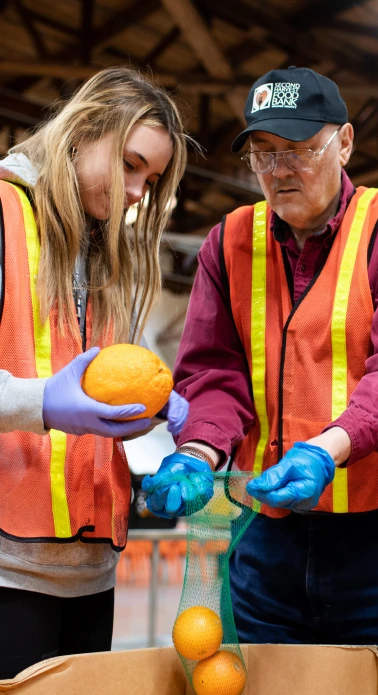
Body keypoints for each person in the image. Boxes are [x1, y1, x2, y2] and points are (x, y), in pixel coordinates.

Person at [143, 66, 378, 652]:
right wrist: (195, 451)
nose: (279, 171)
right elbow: (214, 371)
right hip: (267, 536)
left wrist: (324, 450)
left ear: (344, 142)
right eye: (262, 154)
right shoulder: (229, 242)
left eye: (298, 150)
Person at [0, 67, 191, 679]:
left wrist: (146, 419)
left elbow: (94, 391)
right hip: (8, 569)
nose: (139, 190)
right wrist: (43, 404)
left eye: (151, 178)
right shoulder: (2, 215)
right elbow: (50, 395)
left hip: (89, 575)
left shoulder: (100, 253)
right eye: (131, 165)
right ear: (82, 132)